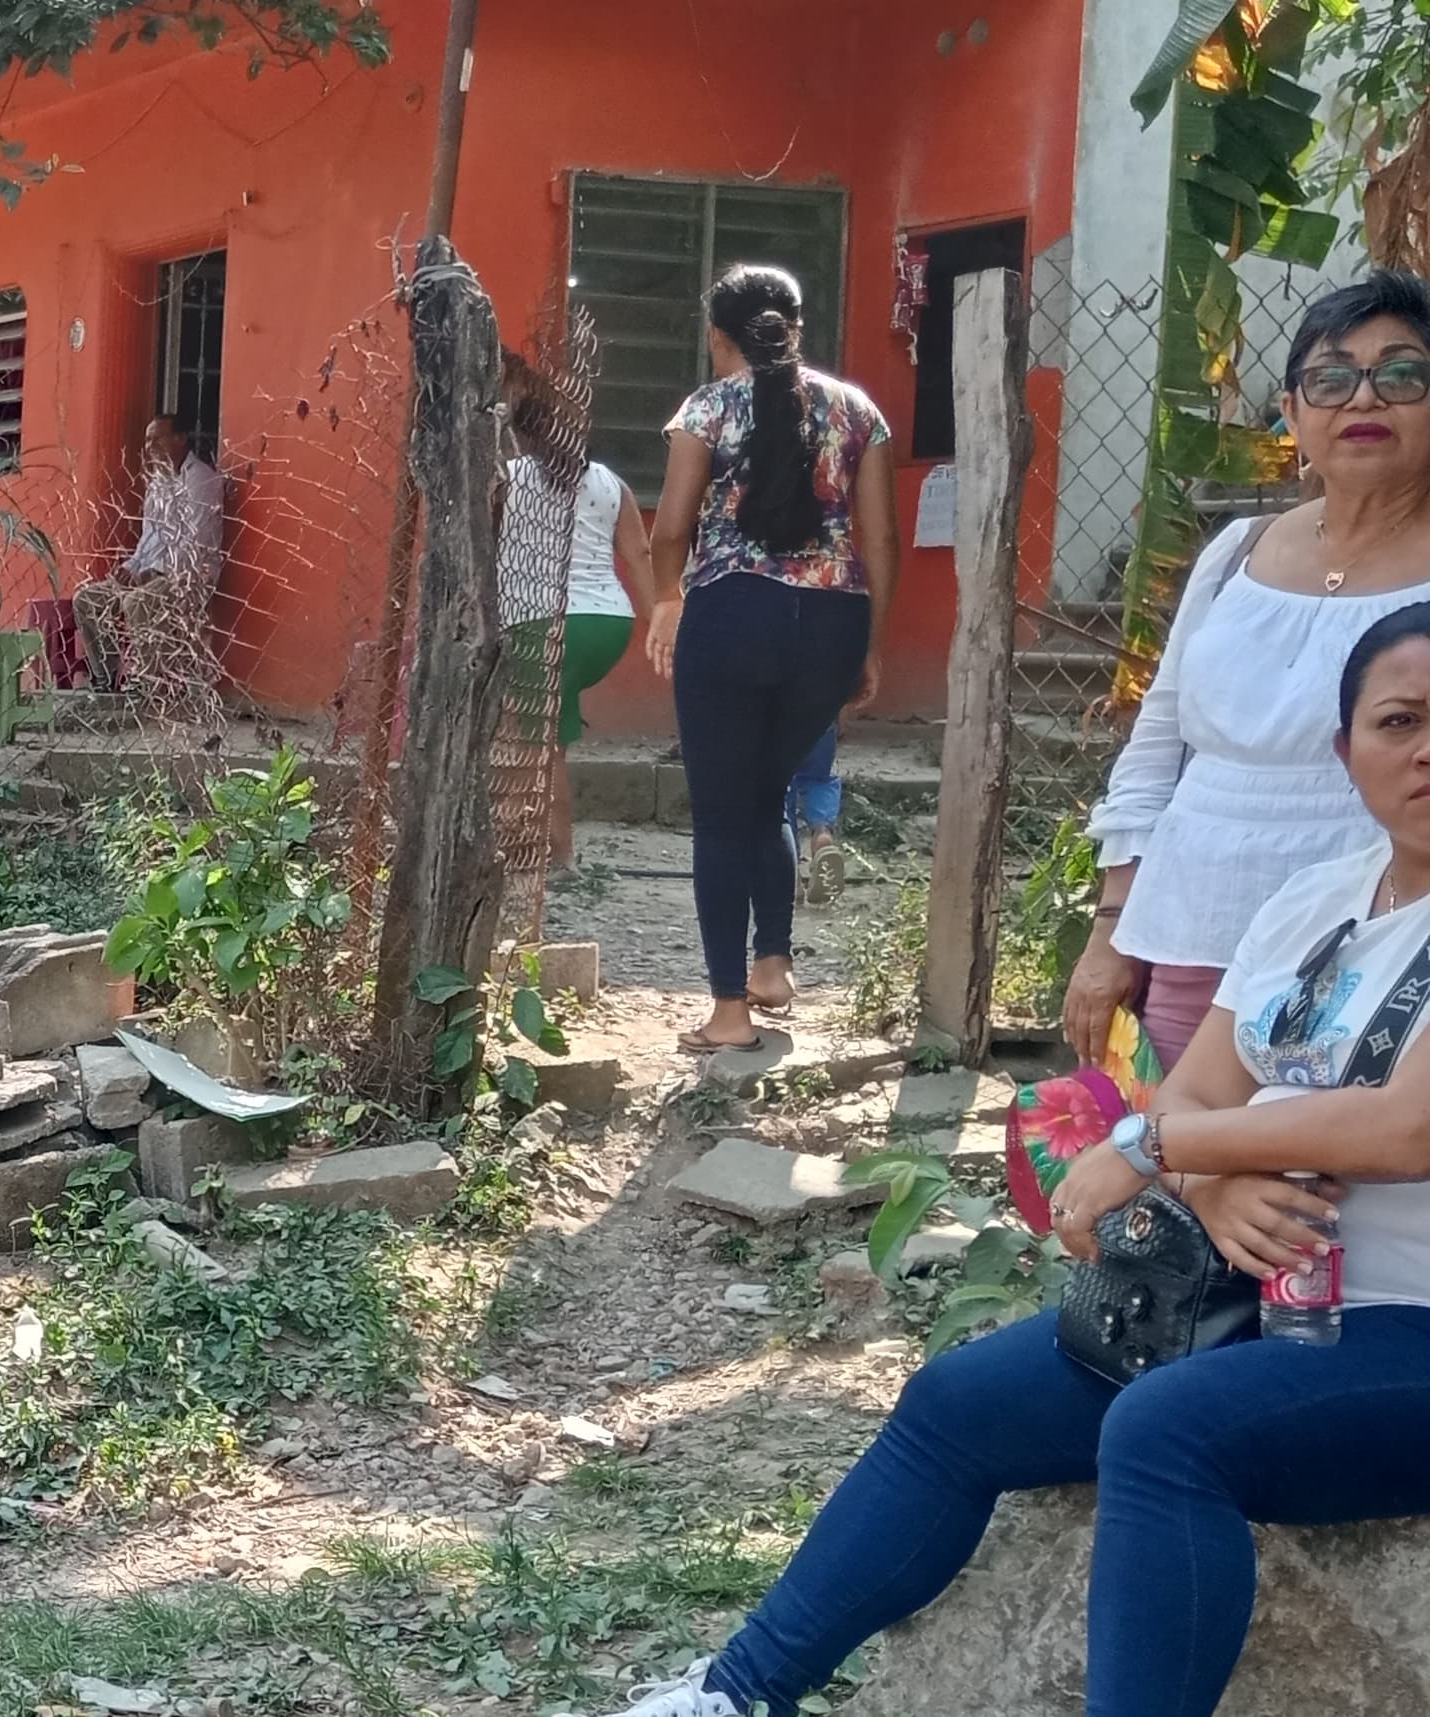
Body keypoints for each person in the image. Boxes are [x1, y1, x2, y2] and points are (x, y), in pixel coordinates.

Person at [595, 600, 1430, 1717]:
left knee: (1170, 1434)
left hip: (1406, 1327)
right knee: (956, 1401)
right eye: (1398, 720)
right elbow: (1202, 1084)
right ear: (1345, 751)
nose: (1426, 748)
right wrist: (1211, 1174)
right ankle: (737, 1692)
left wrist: (1156, 1144)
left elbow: (1403, 1128)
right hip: (1256, 1305)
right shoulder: (1314, 902)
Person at [1072, 273, 1430, 1074]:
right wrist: (1112, 928)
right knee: (1164, 1173)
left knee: (1316, 1187)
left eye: (1402, 375)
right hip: (1191, 927)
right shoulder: (1234, 553)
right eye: (1331, 379)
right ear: (1293, 414)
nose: (1364, 399)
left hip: (1378, 949)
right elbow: (1158, 743)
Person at [648, 266, 898, 1053]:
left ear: (717, 336)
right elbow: (881, 540)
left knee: (724, 813)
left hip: (731, 614)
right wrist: (871, 643)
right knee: (771, 792)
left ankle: (729, 1013)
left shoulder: (708, 407)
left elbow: (671, 527)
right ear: (795, 325)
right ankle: (774, 966)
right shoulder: (859, 412)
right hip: (833, 620)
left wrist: (666, 595)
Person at [498, 364, 659, 872]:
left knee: (542, 748)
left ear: (521, 432)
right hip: (608, 621)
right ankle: (523, 836)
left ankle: (558, 854)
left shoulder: (507, 477)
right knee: (532, 732)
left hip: (539, 622)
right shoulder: (610, 482)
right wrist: (660, 624)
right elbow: (639, 555)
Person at [79, 413, 227, 694]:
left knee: (137, 602)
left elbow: (195, 546)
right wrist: (131, 568)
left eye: (156, 440)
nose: (149, 448)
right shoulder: (157, 484)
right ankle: (106, 680)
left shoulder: (202, 481)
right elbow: (148, 540)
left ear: (180, 439)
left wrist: (155, 571)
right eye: (147, 442)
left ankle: (149, 684)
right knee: (87, 599)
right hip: (152, 572)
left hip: (190, 574)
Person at [787, 724, 845, 901]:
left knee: (778, 786)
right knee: (819, 779)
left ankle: (789, 874)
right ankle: (822, 834)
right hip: (821, 709)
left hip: (775, 713)